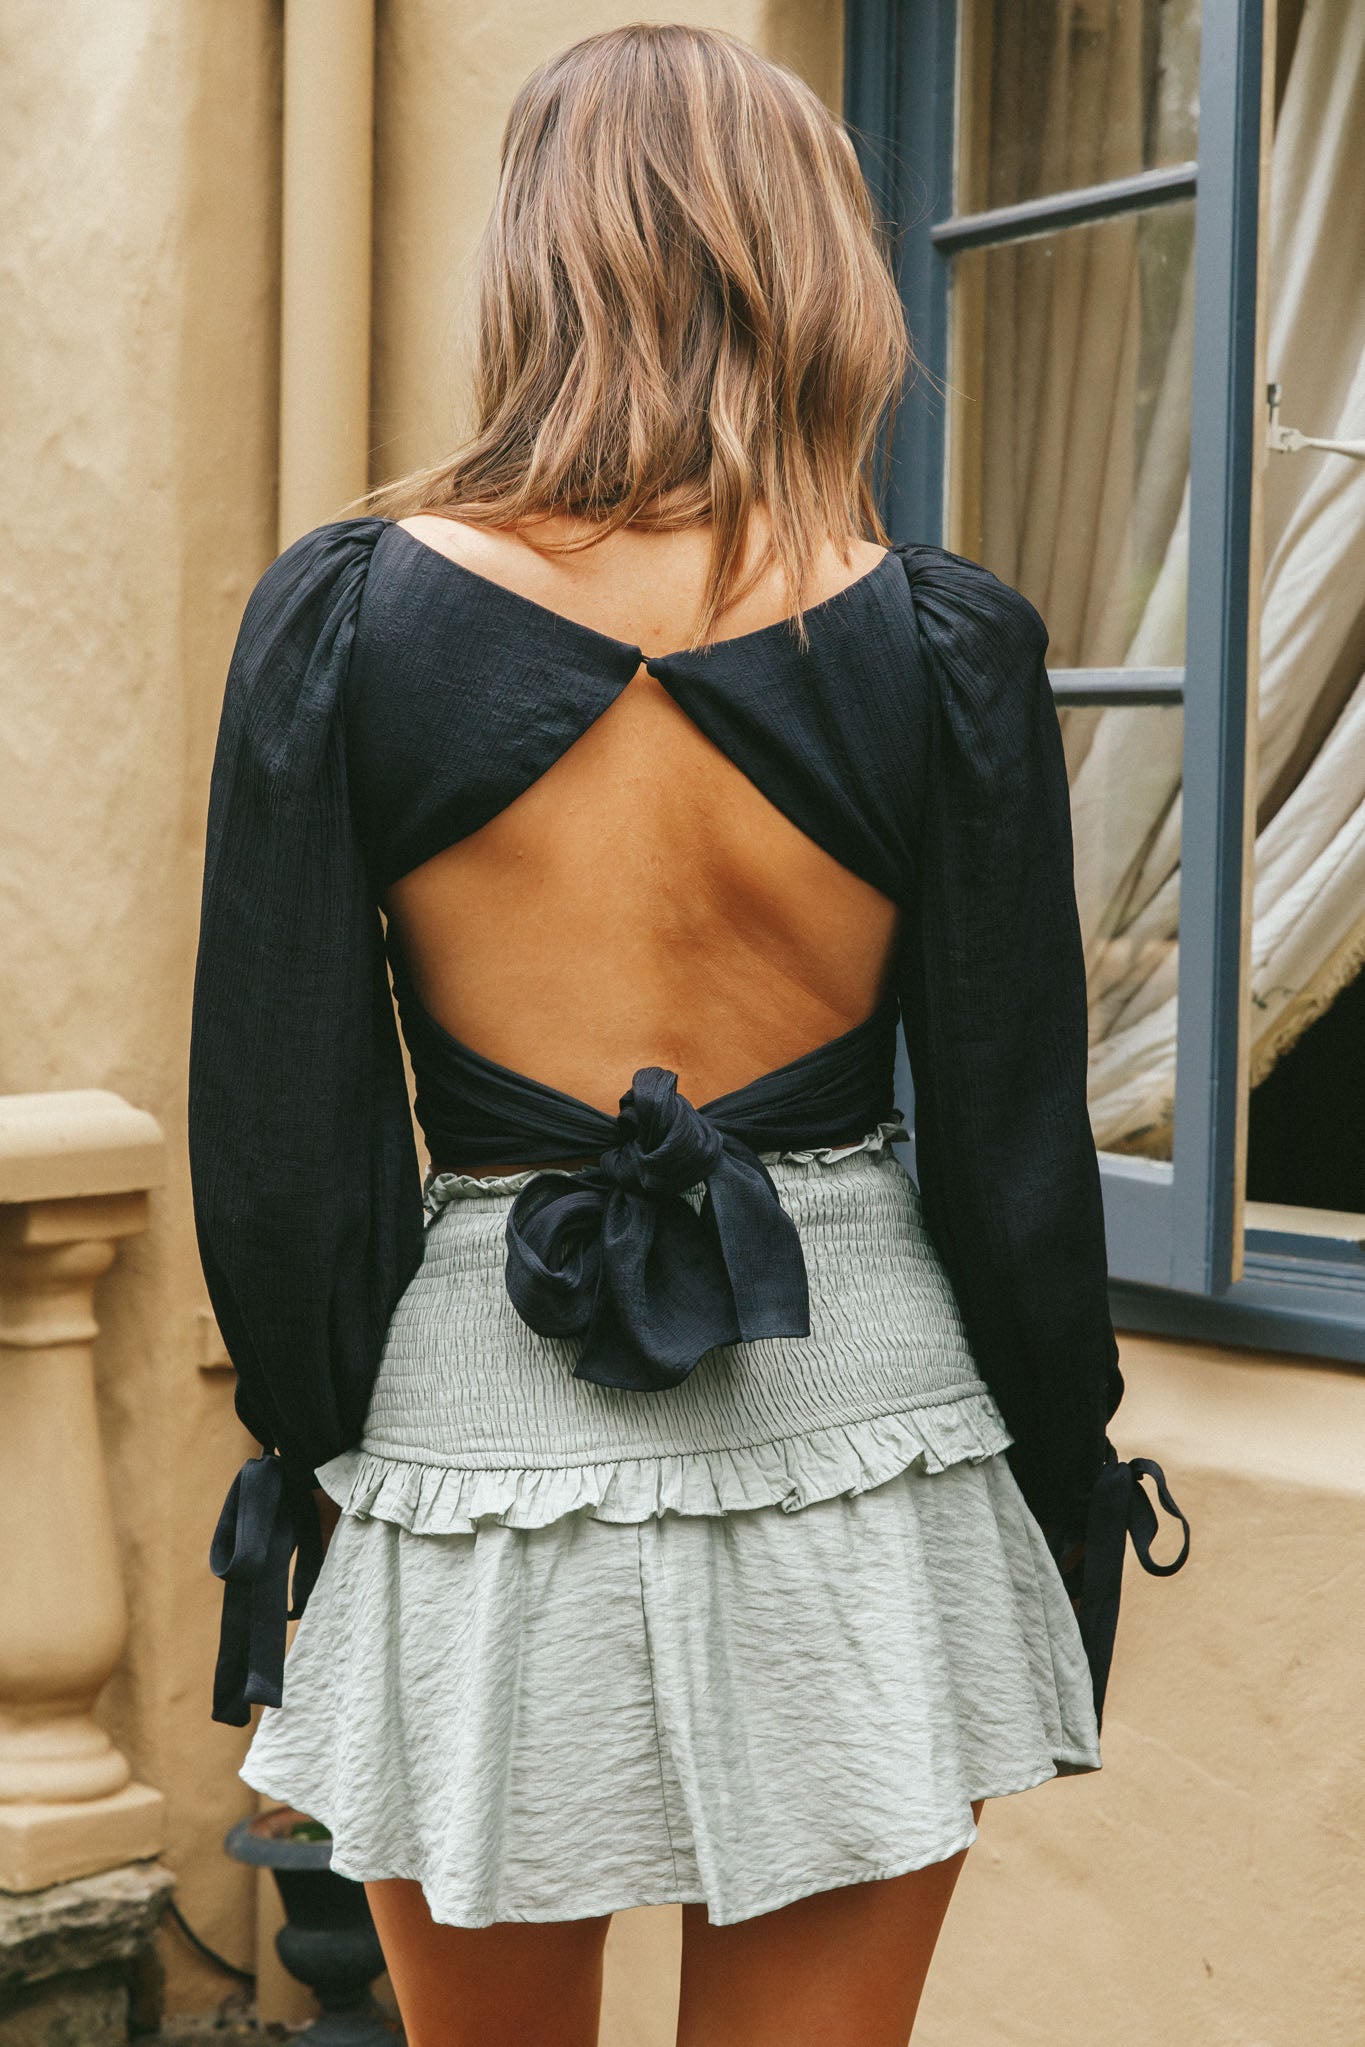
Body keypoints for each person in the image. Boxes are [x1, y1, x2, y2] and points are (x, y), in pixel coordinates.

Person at [188, 23, 1189, 2047]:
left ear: (532, 262)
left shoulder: (347, 616)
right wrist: (1063, 1457)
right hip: (866, 1437)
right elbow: (1012, 1145)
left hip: (476, 1452)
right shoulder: (942, 640)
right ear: (816, 268)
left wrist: (312, 1451)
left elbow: (281, 1130)